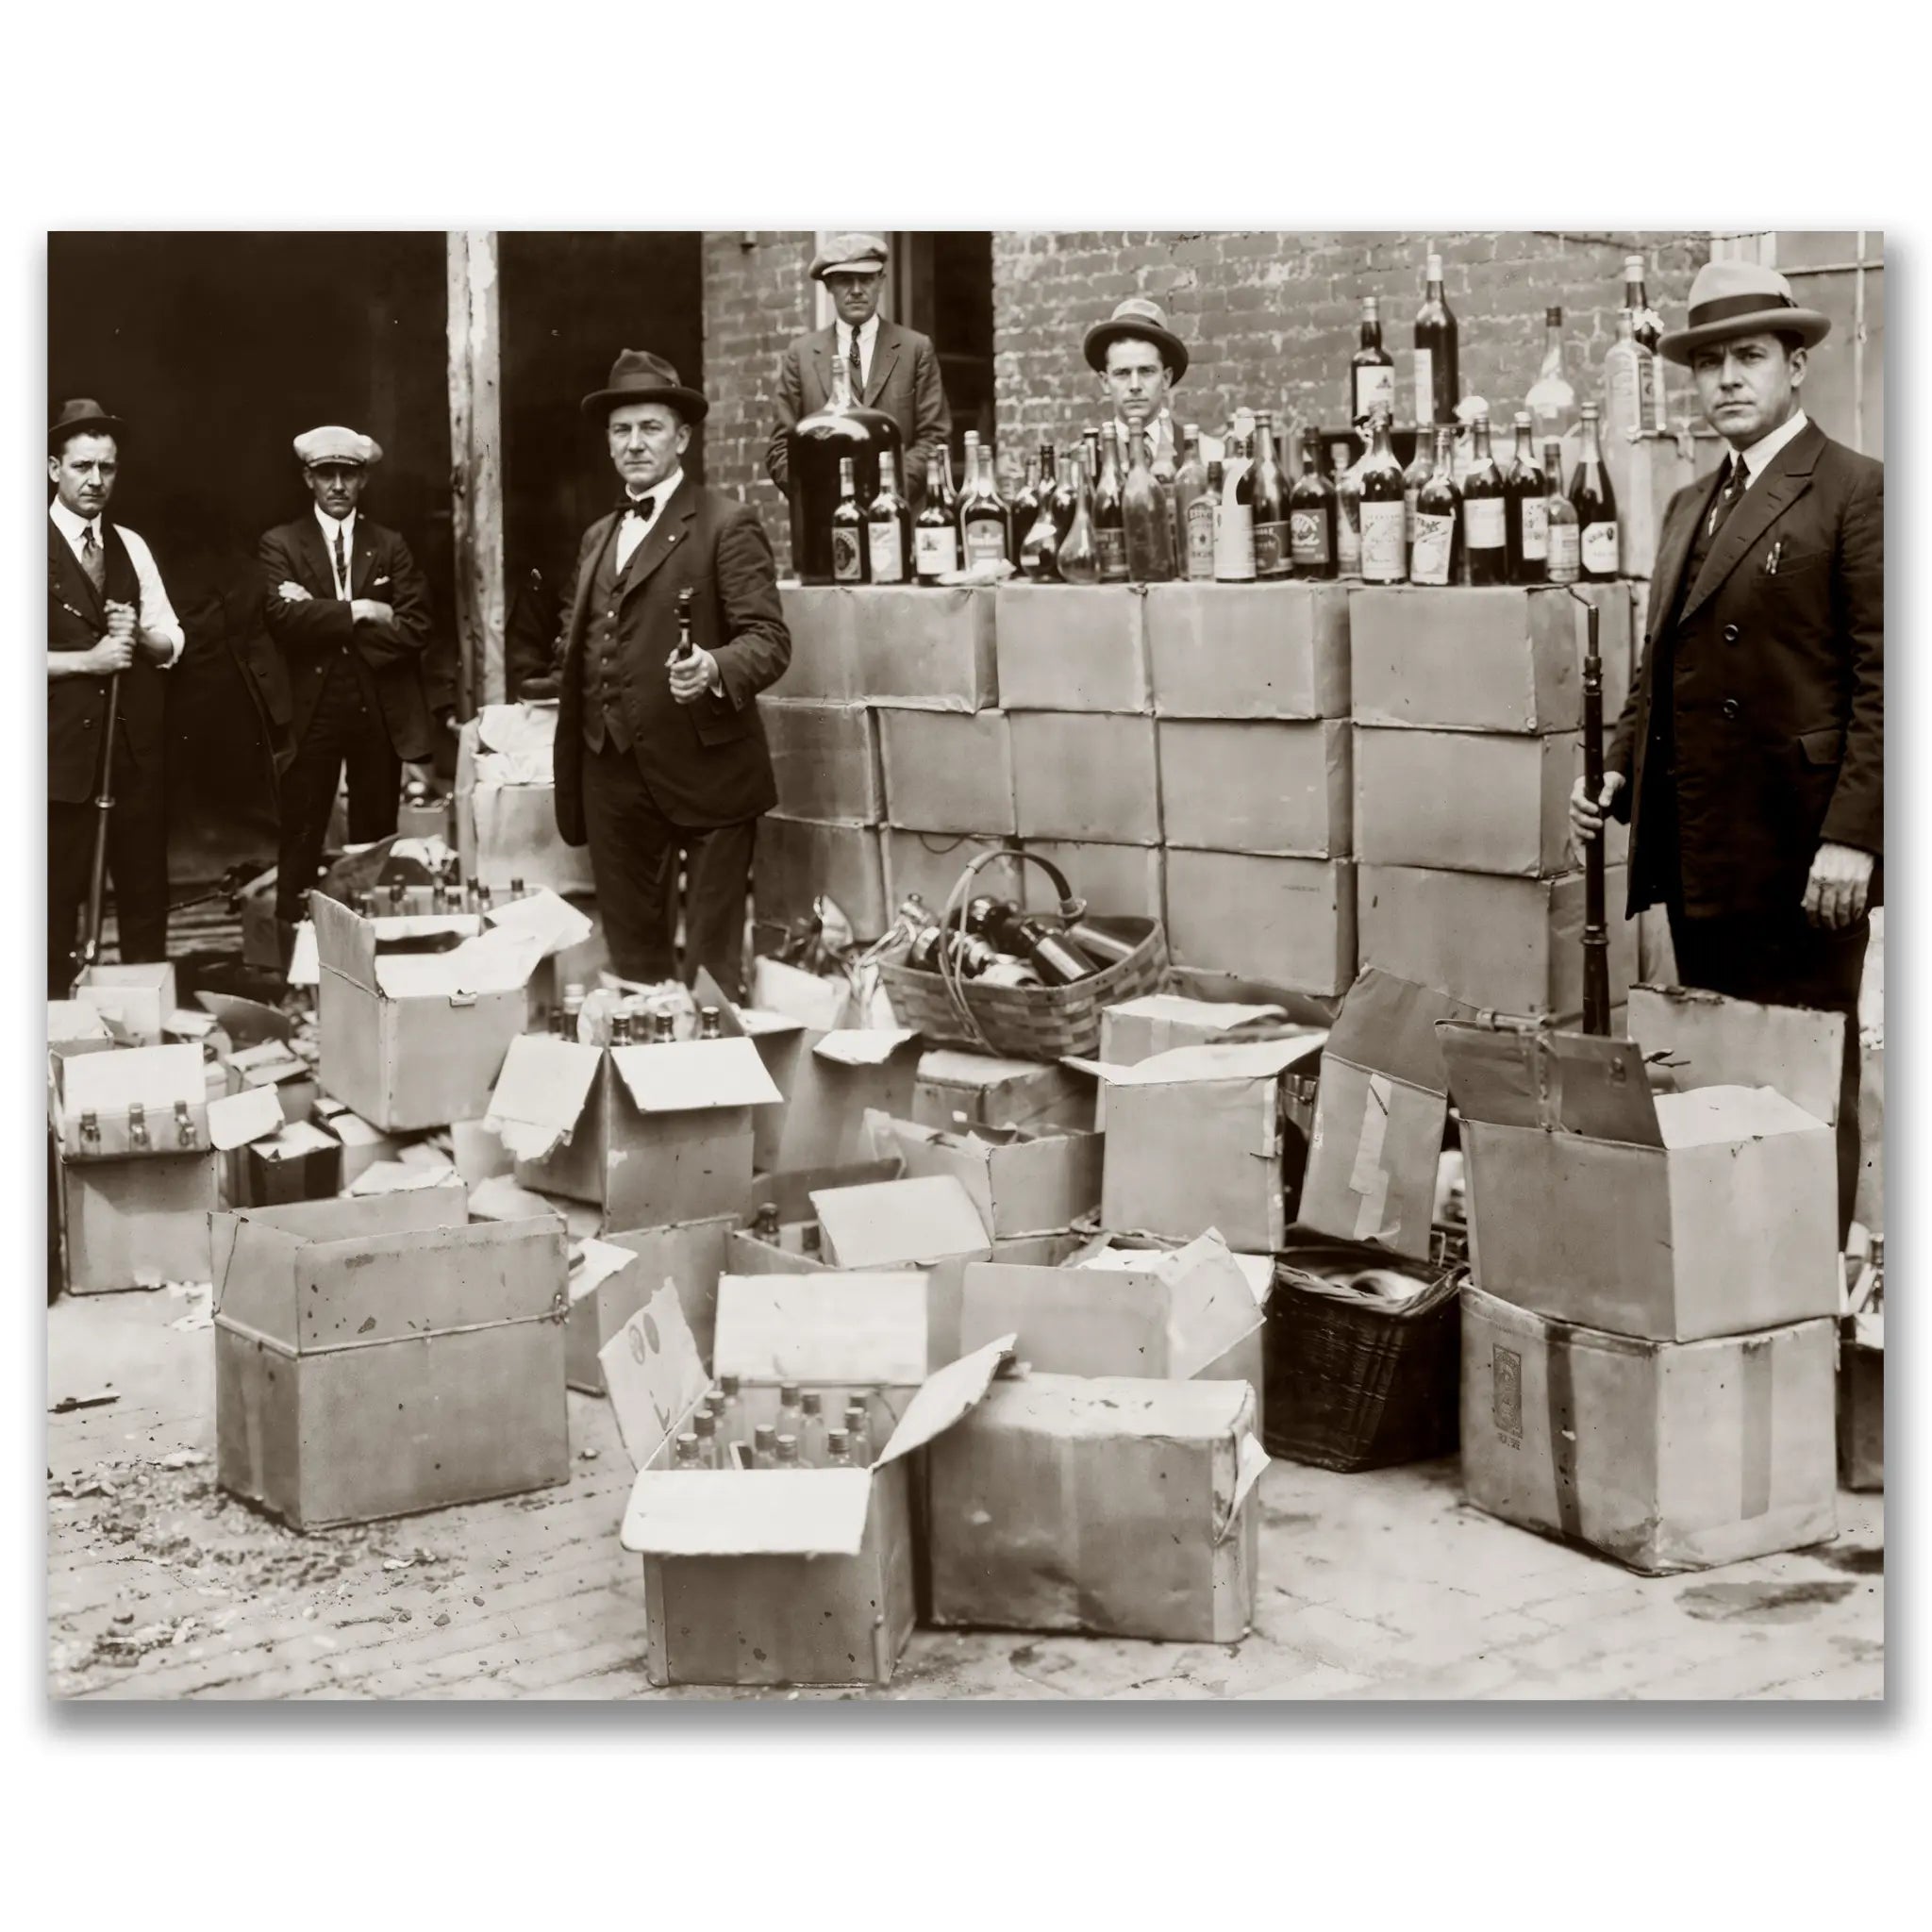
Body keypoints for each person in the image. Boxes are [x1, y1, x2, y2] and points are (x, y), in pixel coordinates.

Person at [1570, 259, 1882, 1243]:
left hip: (1802, 859)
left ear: (1796, 365)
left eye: (1747, 355)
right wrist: (1616, 770)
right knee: (1714, 1079)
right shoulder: (1681, 505)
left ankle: (1802, 1298)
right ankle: (1728, 1281)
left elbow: (1892, 684)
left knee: (1799, 1086)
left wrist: (1853, 835)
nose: (1725, 381)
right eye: (1706, 364)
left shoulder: (1856, 492)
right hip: (1700, 845)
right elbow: (1654, 669)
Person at [557, 349, 791, 997]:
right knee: (633, 967)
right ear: (608, 442)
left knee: (712, 974)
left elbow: (769, 639)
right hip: (611, 773)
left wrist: (714, 665)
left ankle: (714, 1086)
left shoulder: (726, 525)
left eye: (650, 428)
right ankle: (644, 1083)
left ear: (682, 437)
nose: (635, 443)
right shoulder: (598, 536)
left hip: (708, 772)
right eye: (621, 430)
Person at [258, 426, 434, 951]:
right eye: (326, 474)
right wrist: (361, 610)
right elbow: (280, 620)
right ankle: (293, 963)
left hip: (378, 707)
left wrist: (320, 613)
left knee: (373, 835)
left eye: (349, 474)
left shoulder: (389, 544)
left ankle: (372, 955)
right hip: (312, 709)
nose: (338, 484)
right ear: (308, 478)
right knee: (302, 833)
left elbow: (417, 626)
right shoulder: (281, 543)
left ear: (364, 479)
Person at [46, 398, 185, 995]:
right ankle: (51, 1034)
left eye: (107, 467)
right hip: (56, 760)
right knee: (51, 901)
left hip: (131, 755)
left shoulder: (130, 545)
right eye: (81, 467)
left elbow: (173, 638)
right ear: (54, 469)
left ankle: (142, 1035)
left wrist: (143, 636)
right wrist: (90, 660)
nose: (95, 481)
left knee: (143, 898)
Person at [765, 233, 951, 509]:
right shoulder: (801, 355)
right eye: (844, 280)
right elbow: (781, 447)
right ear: (828, 286)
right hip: (826, 524)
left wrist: (890, 493)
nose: (856, 290)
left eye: (865, 279)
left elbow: (934, 439)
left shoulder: (915, 349)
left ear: (881, 282)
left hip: (898, 518)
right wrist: (818, 495)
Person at [1084, 295, 1192, 476]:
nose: (1135, 385)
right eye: (1122, 373)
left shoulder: (1205, 453)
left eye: (1146, 371)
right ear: (1105, 382)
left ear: (1166, 378)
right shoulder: (1084, 462)